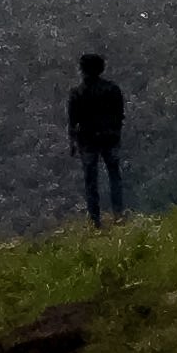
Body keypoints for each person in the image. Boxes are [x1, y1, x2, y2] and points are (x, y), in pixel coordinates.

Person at [65, 52, 125, 226]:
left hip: (87, 141)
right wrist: (115, 132)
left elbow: (72, 121)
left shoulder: (77, 93)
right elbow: (119, 115)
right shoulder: (112, 89)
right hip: (109, 138)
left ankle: (95, 219)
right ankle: (118, 214)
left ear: (82, 70)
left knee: (90, 180)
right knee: (114, 176)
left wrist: (72, 143)